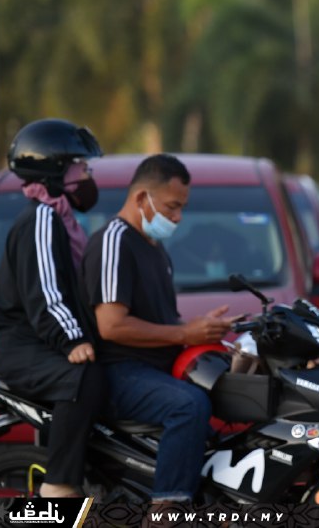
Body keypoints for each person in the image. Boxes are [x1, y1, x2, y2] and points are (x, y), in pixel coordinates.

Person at [81, 154, 232, 502]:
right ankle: (167, 510)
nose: (177, 218)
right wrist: (185, 334)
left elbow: (160, 321)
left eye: (182, 208)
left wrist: (201, 327)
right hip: (117, 371)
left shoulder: (156, 248)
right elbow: (111, 325)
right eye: (171, 207)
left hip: (155, 369)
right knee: (189, 406)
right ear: (140, 199)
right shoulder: (114, 242)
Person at [0, 118, 106, 498]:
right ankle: (57, 485)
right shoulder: (42, 218)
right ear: (56, 170)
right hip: (24, 347)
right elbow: (46, 294)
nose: (88, 174)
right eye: (81, 166)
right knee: (81, 378)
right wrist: (71, 339)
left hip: (39, 343)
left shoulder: (63, 220)